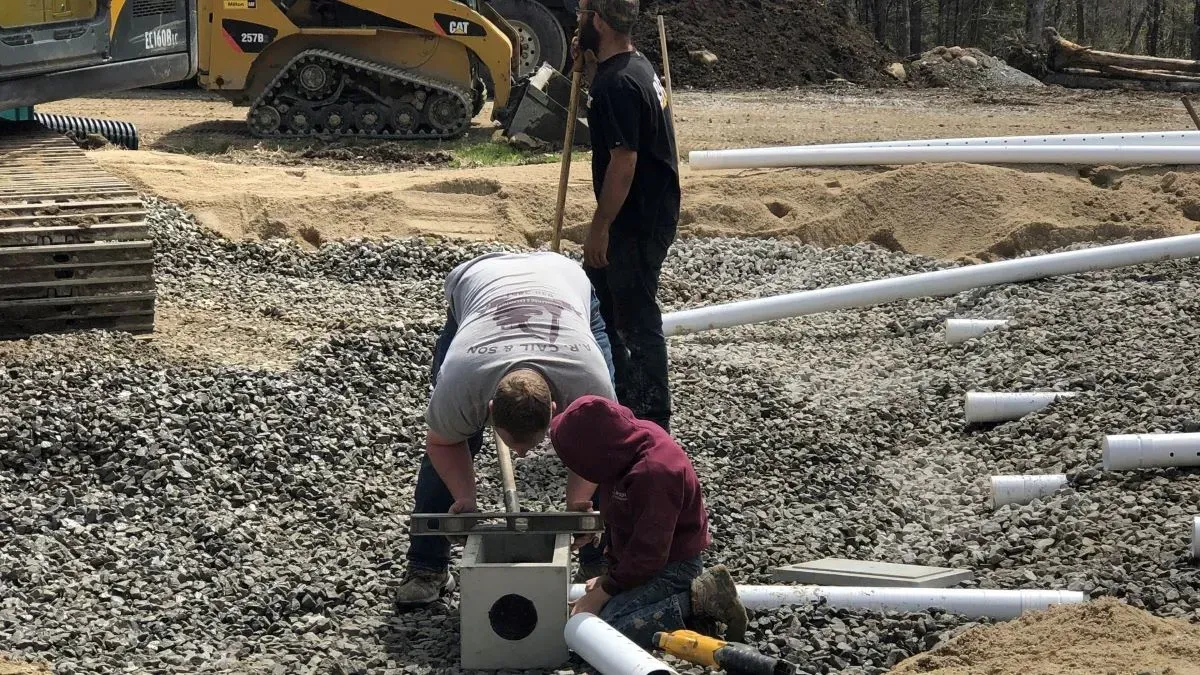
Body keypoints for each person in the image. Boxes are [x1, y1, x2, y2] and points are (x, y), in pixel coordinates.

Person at [394, 251, 618, 607]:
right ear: (490, 409)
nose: (522, 455)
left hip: (565, 281)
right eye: (515, 445)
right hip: (478, 282)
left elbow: (602, 447)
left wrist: (579, 505)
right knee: (449, 437)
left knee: (614, 457)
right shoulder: (461, 380)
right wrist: (464, 498)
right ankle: (426, 568)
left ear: (556, 410)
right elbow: (444, 442)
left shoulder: (589, 381)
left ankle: (601, 567)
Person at [550, 394, 748, 648]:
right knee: (600, 617)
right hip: (641, 560)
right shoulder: (623, 449)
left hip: (673, 566)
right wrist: (597, 528)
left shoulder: (655, 473)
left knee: (610, 628)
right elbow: (628, 513)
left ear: (598, 456)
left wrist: (607, 588)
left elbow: (650, 553)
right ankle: (691, 616)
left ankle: (701, 597)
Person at [575, 0, 680, 433]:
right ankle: (617, 400)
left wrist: (600, 227)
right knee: (596, 300)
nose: (578, 21)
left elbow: (624, 162)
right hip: (650, 210)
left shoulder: (616, 84)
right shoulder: (636, 66)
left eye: (583, 14)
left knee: (636, 318)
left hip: (636, 221)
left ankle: (652, 422)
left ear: (598, 20)